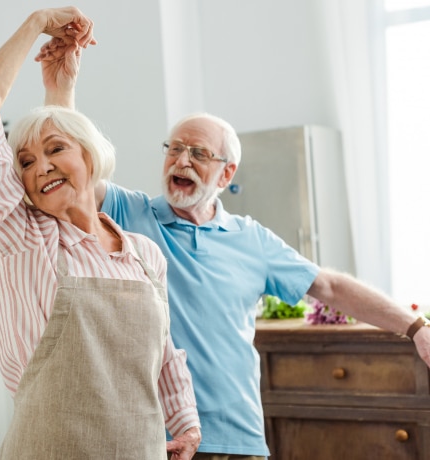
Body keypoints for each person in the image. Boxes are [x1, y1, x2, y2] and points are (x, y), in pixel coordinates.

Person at [35, 34, 430, 459]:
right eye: (175, 149)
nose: (181, 161)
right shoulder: (129, 213)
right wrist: (61, 89)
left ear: (226, 175)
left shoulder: (251, 238)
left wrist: (415, 327)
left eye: (199, 153)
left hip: (240, 439)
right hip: (154, 439)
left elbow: (329, 287)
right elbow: (72, 175)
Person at [0, 7, 201, 460]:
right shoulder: (22, 238)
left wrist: (186, 423)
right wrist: (36, 24)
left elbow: (165, 355)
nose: (42, 166)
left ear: (92, 158)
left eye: (56, 151)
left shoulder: (145, 255)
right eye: (26, 163)